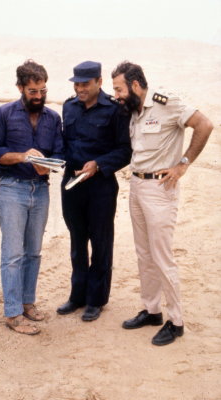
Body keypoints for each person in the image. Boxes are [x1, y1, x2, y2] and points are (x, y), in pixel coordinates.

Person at [112, 61, 213, 345]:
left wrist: (183, 164)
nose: (117, 95)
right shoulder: (134, 110)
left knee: (161, 256)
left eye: (119, 89)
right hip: (137, 186)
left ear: (134, 85)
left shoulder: (166, 102)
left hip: (160, 188)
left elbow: (204, 125)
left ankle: (176, 321)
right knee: (144, 254)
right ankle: (152, 310)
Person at [0, 60, 63, 335]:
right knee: (13, 254)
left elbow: (59, 153)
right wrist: (23, 157)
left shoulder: (54, 118)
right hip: (12, 189)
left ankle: (28, 304)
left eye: (42, 90)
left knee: (34, 252)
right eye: (33, 90)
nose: (39, 96)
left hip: (41, 190)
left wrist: (49, 165)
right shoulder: (3, 114)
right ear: (20, 87)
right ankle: (13, 313)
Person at [57, 61, 132, 322]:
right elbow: (64, 144)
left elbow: (125, 150)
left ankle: (96, 300)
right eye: (76, 84)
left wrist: (98, 164)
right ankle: (77, 296)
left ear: (99, 82)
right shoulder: (68, 107)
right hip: (71, 184)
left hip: (100, 185)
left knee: (100, 242)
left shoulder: (115, 110)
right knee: (77, 241)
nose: (80, 88)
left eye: (85, 84)